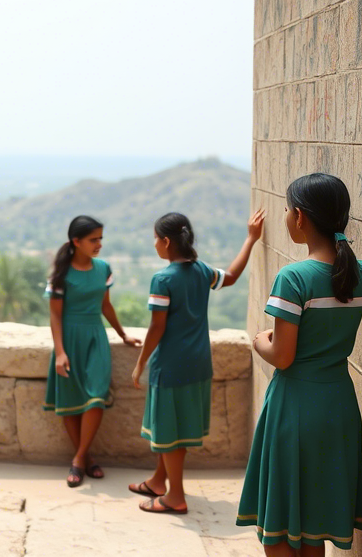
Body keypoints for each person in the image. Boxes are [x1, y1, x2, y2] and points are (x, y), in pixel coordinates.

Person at [237, 177, 362, 555]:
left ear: (300, 217)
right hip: (338, 407)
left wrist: (259, 342)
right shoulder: (360, 276)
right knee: (312, 529)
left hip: (295, 407)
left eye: (288, 210)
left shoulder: (293, 278)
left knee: (279, 528)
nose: (287, 216)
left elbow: (283, 355)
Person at [130, 208, 265, 514]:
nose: (153, 244)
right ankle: (157, 481)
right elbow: (229, 278)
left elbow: (157, 327)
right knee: (176, 427)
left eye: (155, 239)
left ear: (165, 242)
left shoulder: (162, 279)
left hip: (171, 366)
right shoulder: (202, 270)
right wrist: (251, 239)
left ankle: (175, 497)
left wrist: (140, 362)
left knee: (168, 432)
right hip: (199, 363)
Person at [44, 216, 141, 486]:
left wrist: (123, 335)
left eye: (101, 238)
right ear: (76, 242)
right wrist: (60, 352)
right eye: (93, 239)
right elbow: (54, 316)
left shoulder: (103, 268)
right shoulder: (61, 275)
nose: (99, 244)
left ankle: (78, 460)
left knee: (96, 397)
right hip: (70, 339)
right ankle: (86, 458)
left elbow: (105, 305)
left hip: (96, 338)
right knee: (72, 403)